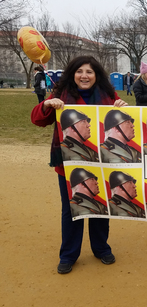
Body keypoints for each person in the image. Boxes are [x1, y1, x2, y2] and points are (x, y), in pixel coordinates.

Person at [31, 55, 127, 274]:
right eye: (80, 71)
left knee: (100, 208)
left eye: (89, 72)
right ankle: (68, 254)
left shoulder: (109, 96)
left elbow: (124, 123)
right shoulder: (60, 96)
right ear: (72, 74)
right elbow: (37, 120)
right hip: (69, 164)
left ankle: (101, 248)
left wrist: (122, 107)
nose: (84, 76)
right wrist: (46, 104)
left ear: (96, 75)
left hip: (101, 163)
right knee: (71, 210)